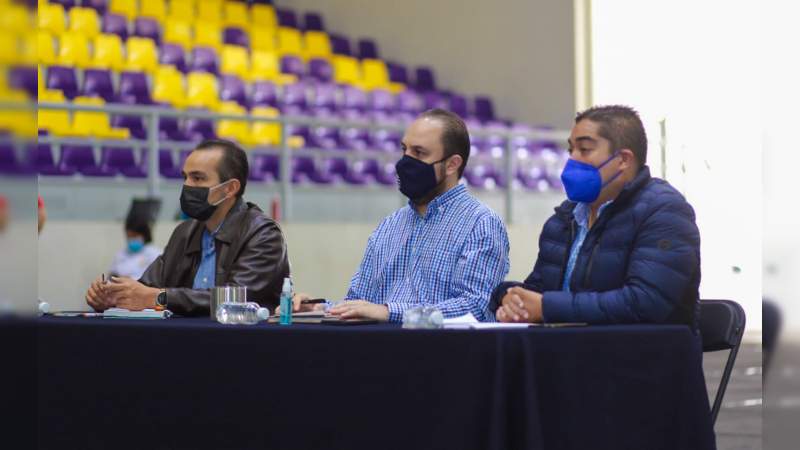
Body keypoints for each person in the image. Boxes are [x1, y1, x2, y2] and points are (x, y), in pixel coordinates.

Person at [287, 109, 509, 322]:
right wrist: (319, 309)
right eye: (405, 150)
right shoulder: (390, 225)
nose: (405, 161)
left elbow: (473, 307)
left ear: (452, 164)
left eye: (419, 153)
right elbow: (359, 303)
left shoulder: (481, 223)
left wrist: (388, 311)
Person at [492, 105, 701, 326]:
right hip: (569, 352)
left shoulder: (664, 211)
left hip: (639, 355)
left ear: (623, 160)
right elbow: (540, 291)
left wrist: (547, 308)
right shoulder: (565, 218)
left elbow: (645, 302)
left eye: (584, 149)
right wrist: (509, 298)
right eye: (570, 150)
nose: (572, 159)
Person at [85, 139, 291, 315]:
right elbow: (147, 288)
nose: (188, 186)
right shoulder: (185, 232)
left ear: (230, 188)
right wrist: (115, 297)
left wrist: (160, 298)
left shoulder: (262, 234)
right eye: (185, 177)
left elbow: (236, 300)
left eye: (198, 178)